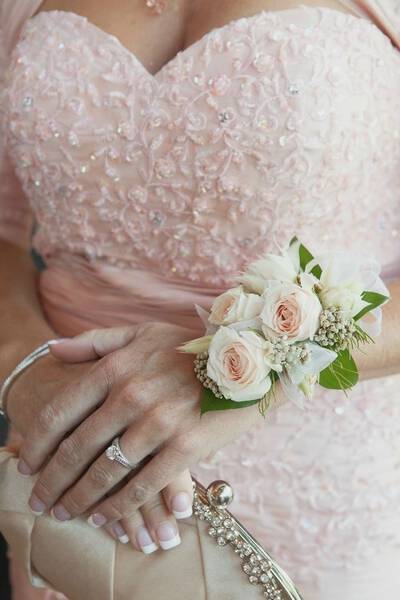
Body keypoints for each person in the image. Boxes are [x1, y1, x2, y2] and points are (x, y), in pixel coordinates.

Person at [0, 0, 400, 598]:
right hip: (80, 486)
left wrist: (233, 372)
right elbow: (5, 233)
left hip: (323, 485)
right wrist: (23, 369)